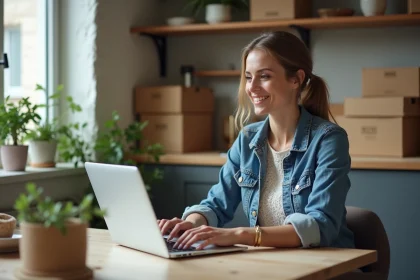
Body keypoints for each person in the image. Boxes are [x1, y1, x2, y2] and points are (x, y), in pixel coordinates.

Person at [158, 31, 355, 251]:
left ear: (296, 79)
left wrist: (240, 234)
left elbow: (319, 225)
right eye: (249, 77)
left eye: (265, 76)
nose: (251, 88)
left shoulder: (329, 140)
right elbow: (216, 204)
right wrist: (191, 224)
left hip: (326, 264)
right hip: (272, 263)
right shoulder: (247, 140)